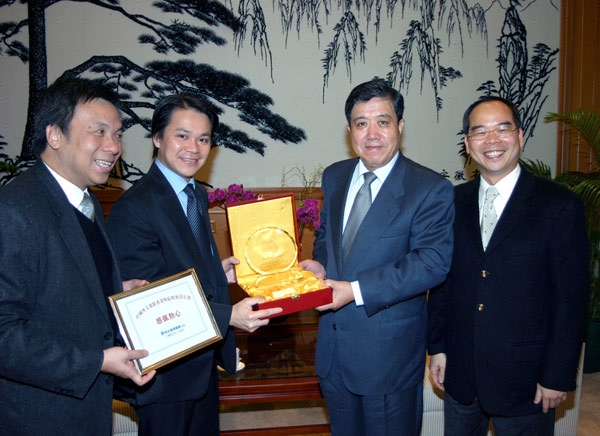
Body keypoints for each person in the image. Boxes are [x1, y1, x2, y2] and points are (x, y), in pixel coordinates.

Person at [107, 93, 282, 436]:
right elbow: (146, 301)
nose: (194, 148)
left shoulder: (194, 194)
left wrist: (218, 272)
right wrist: (229, 316)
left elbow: (180, 266)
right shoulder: (135, 207)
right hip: (164, 375)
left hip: (202, 363)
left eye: (203, 139)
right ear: (157, 138)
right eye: (182, 136)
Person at [0, 77, 156, 435]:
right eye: (98, 131)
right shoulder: (16, 210)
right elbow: (4, 334)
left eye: (117, 134)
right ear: (55, 135)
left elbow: (59, 284)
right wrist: (96, 361)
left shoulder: (86, 203)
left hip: (86, 412)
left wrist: (114, 289)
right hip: (39, 418)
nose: (113, 146)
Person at [299, 77, 455, 435]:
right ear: (349, 130)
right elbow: (327, 236)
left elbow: (431, 263)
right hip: (334, 350)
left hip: (388, 356)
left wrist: (353, 290)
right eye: (361, 123)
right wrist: (321, 263)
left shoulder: (429, 188)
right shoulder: (335, 176)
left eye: (383, 121)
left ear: (400, 125)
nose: (372, 134)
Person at [427, 96, 590, 435]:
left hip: (526, 380)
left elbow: (571, 300)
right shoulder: (452, 202)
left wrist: (557, 375)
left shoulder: (559, 204)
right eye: (480, 132)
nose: (492, 140)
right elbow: (444, 282)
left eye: (502, 129)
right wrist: (438, 348)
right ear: (468, 144)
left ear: (520, 135)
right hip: (461, 373)